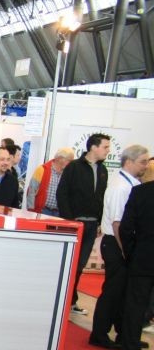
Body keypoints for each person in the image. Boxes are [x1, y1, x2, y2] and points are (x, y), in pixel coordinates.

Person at [90, 144, 150, 350]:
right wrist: (126, 252)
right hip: (116, 245)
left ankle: (123, 334)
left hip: (121, 244)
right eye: (142, 162)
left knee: (123, 293)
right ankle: (99, 334)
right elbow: (118, 223)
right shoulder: (120, 187)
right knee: (113, 292)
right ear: (129, 161)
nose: (145, 166)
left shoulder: (131, 183)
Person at [58, 133, 111, 314]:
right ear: (93, 147)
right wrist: (69, 220)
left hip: (92, 224)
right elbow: (62, 193)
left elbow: (102, 197)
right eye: (105, 147)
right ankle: (63, 301)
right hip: (75, 223)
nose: (108, 151)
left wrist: (100, 221)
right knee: (70, 264)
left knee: (80, 265)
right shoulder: (74, 167)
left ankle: (71, 301)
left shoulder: (103, 170)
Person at [118, 179, 154, 350]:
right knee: (136, 305)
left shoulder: (141, 192)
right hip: (142, 257)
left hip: (142, 257)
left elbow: (126, 227)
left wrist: (131, 252)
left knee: (135, 305)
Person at [25, 147, 75, 216]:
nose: (71, 164)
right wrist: (31, 210)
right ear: (60, 158)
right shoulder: (42, 169)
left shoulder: (68, 174)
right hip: (42, 211)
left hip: (59, 213)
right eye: (69, 161)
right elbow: (31, 191)